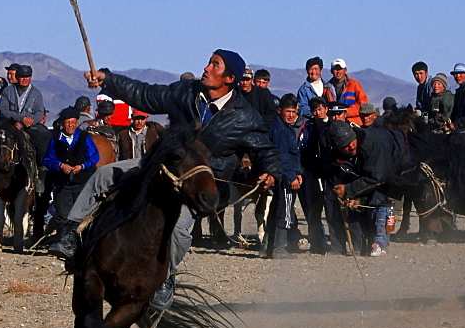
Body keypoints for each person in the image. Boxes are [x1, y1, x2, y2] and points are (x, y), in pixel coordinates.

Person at [64, 49, 281, 308]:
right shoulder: (184, 92)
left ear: (230, 79)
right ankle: (68, 234)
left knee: (178, 228)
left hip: (198, 185)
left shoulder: (245, 116)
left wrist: (272, 171)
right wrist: (107, 80)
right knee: (104, 174)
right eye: (209, 62)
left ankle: (165, 279)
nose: (206, 68)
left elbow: (265, 149)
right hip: (163, 169)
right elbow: (146, 94)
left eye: (215, 65)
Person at [327, 120, 402, 257]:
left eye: (351, 141)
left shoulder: (372, 144)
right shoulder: (336, 155)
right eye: (344, 145)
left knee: (380, 208)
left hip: (394, 169)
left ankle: (380, 244)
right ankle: (361, 246)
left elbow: (376, 177)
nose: (350, 146)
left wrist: (348, 190)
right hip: (371, 179)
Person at [44, 106, 100, 236]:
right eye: (68, 122)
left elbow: (94, 156)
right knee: (63, 215)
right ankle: (63, 241)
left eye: (73, 122)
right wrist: (60, 165)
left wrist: (83, 166)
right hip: (63, 185)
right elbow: (48, 160)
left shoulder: (84, 138)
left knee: (83, 214)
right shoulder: (55, 139)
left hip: (82, 183)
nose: (71, 125)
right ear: (62, 123)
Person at [265, 94, 303, 258]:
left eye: (293, 111)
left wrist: (298, 172)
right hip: (284, 177)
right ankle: (279, 249)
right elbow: (283, 157)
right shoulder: (280, 129)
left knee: (277, 208)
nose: (291, 115)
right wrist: (291, 176)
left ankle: (267, 247)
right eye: (288, 111)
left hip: (286, 174)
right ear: (280, 110)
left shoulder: (284, 127)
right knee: (285, 211)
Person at [298, 96, 331, 253]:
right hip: (312, 173)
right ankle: (318, 243)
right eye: (315, 110)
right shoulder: (309, 127)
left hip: (330, 173)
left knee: (332, 209)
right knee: (314, 209)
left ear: (326, 109)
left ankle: (337, 243)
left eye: (320, 109)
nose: (318, 112)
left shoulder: (333, 126)